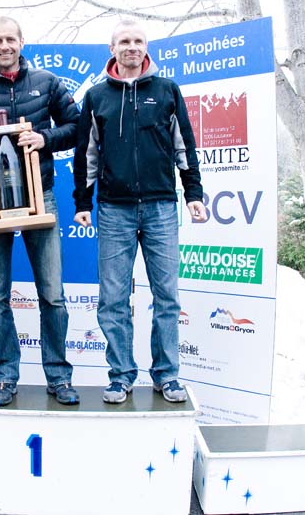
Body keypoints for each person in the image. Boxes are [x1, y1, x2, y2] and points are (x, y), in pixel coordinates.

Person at [72, 20, 207, 404]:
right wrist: (82, 202)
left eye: (138, 41)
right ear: (112, 49)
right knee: (112, 300)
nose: (131, 47)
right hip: (114, 210)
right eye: (124, 41)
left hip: (161, 206)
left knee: (167, 297)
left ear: (146, 47)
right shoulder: (97, 96)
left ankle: (167, 376)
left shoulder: (166, 90)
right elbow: (86, 154)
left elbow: (184, 146)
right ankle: (121, 376)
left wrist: (193, 192)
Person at [0, 16, 80, 407]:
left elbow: (77, 126)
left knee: (53, 295)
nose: (4, 45)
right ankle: (5, 377)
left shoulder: (46, 82)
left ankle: (59, 377)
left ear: (22, 42)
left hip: (41, 197)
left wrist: (44, 138)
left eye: (10, 38)